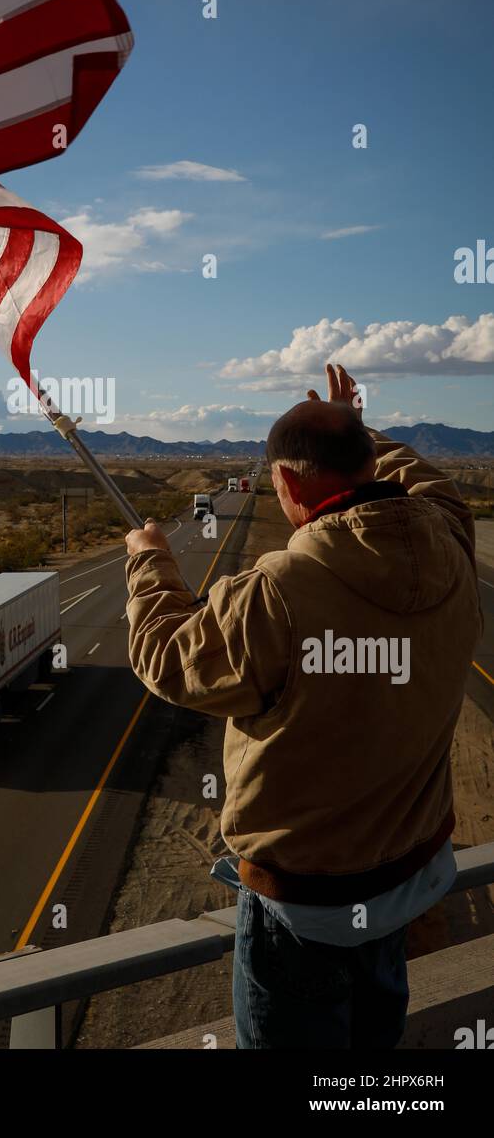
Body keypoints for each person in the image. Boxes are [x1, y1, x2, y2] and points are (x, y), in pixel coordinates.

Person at [125, 364, 483, 1049]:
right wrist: (354, 421)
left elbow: (168, 660)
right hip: (408, 882)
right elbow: (428, 483)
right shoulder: (451, 537)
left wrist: (149, 563)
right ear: (373, 460)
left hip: (304, 908)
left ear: (286, 486)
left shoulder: (278, 590)